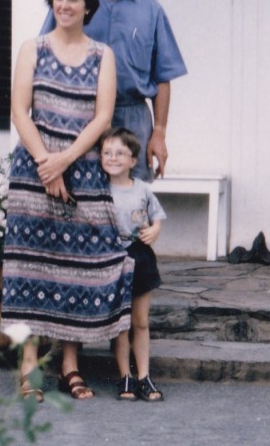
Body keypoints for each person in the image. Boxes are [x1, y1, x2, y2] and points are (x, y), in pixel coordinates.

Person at [2, 0, 134, 402]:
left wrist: (65, 161)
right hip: (34, 171)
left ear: (88, 6)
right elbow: (20, 111)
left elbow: (102, 117)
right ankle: (28, 369)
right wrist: (46, 163)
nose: (64, 4)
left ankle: (70, 367)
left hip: (81, 169)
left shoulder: (102, 55)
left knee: (78, 266)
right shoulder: (32, 48)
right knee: (31, 266)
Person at [41, 0, 187, 181]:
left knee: (131, 205)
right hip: (78, 115)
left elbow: (163, 77)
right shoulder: (72, 3)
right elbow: (45, 60)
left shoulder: (150, 10)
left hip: (132, 119)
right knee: (80, 203)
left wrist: (160, 133)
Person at [100, 126, 166, 402]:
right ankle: (124, 375)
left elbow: (156, 216)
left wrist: (155, 229)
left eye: (119, 153)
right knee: (120, 322)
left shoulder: (142, 189)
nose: (112, 158)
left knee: (140, 320)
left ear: (132, 160)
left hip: (139, 257)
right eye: (106, 153)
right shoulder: (100, 190)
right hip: (112, 257)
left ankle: (144, 376)